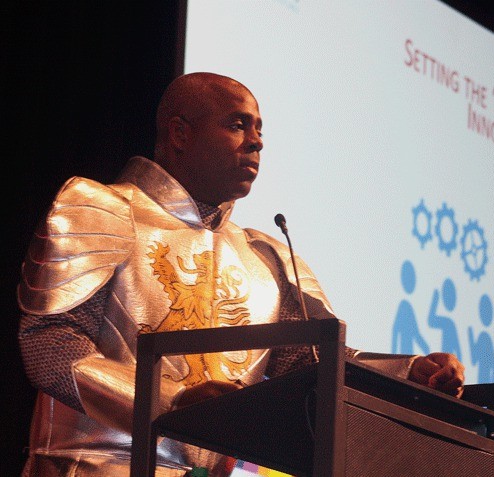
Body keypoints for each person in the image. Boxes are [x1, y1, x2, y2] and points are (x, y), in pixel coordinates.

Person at [17, 72, 465, 477]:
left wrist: (408, 372)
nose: (257, 141)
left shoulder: (263, 254)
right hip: (93, 466)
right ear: (179, 133)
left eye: (259, 129)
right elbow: (50, 344)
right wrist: (171, 402)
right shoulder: (100, 208)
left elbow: (313, 364)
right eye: (237, 125)